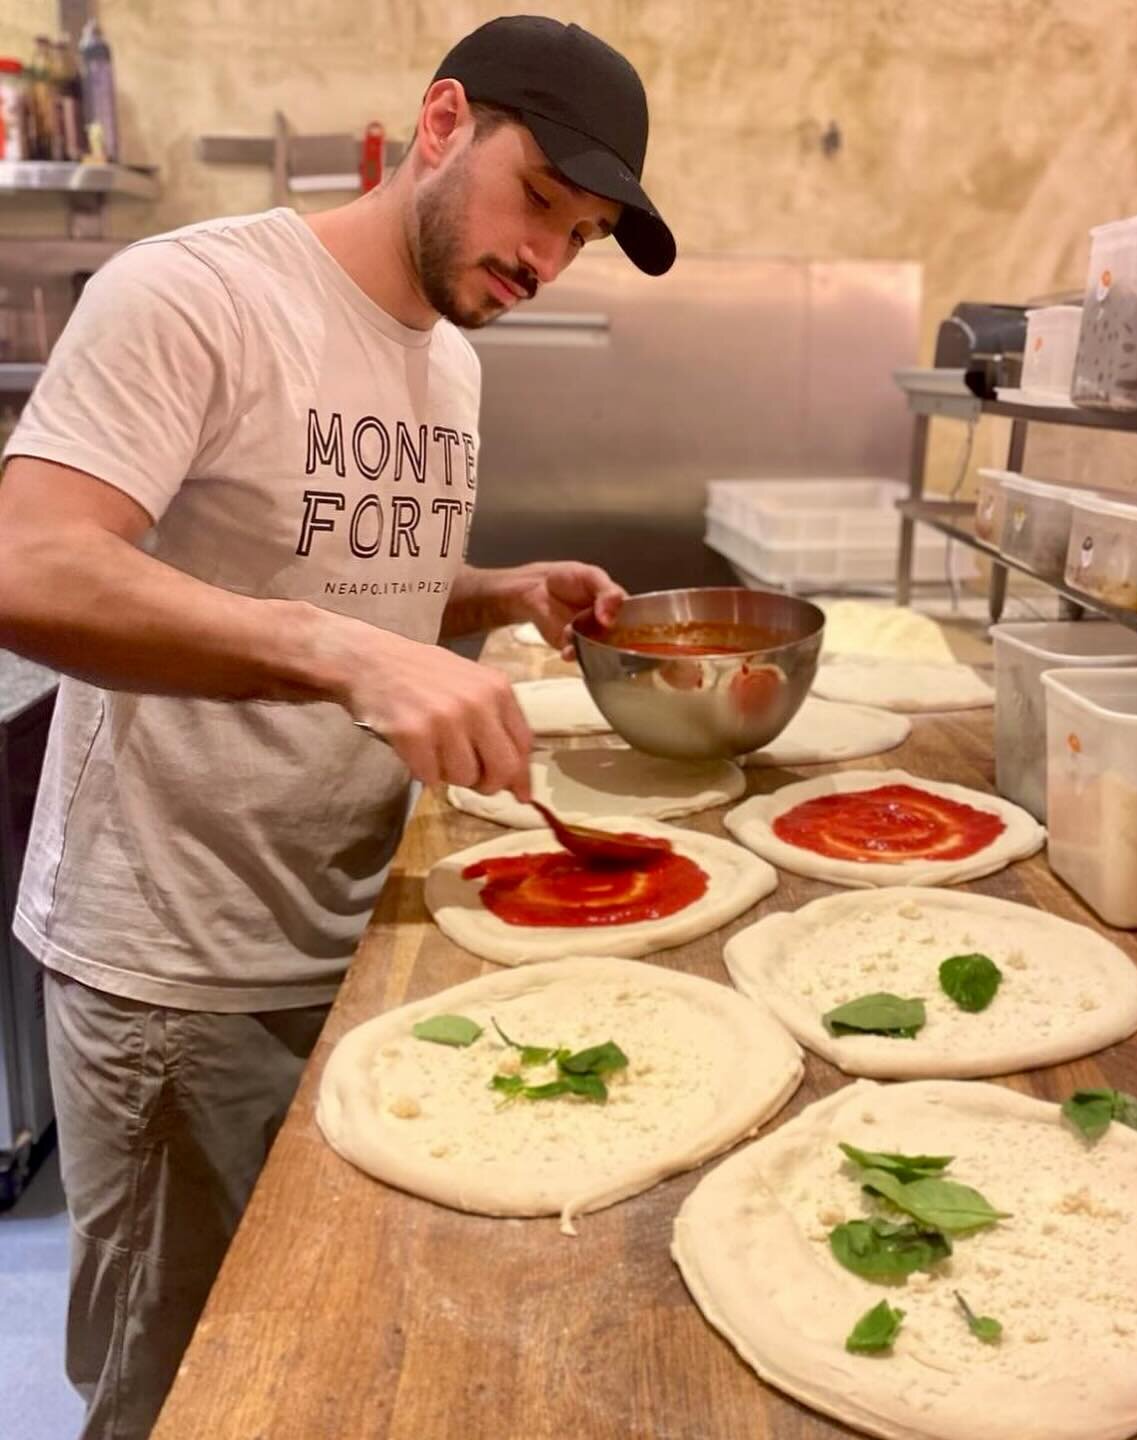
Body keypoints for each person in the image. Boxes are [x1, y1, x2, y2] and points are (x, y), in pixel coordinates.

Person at [0, 15, 675, 1438]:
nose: (545, 259)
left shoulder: (451, 357)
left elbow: (354, 583)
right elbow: (31, 564)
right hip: (179, 971)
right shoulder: (193, 294)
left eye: (584, 235)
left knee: (327, 1373)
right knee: (186, 1392)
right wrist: (345, 655)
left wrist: (493, 590)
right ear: (439, 126)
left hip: (357, 936)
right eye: (538, 201)